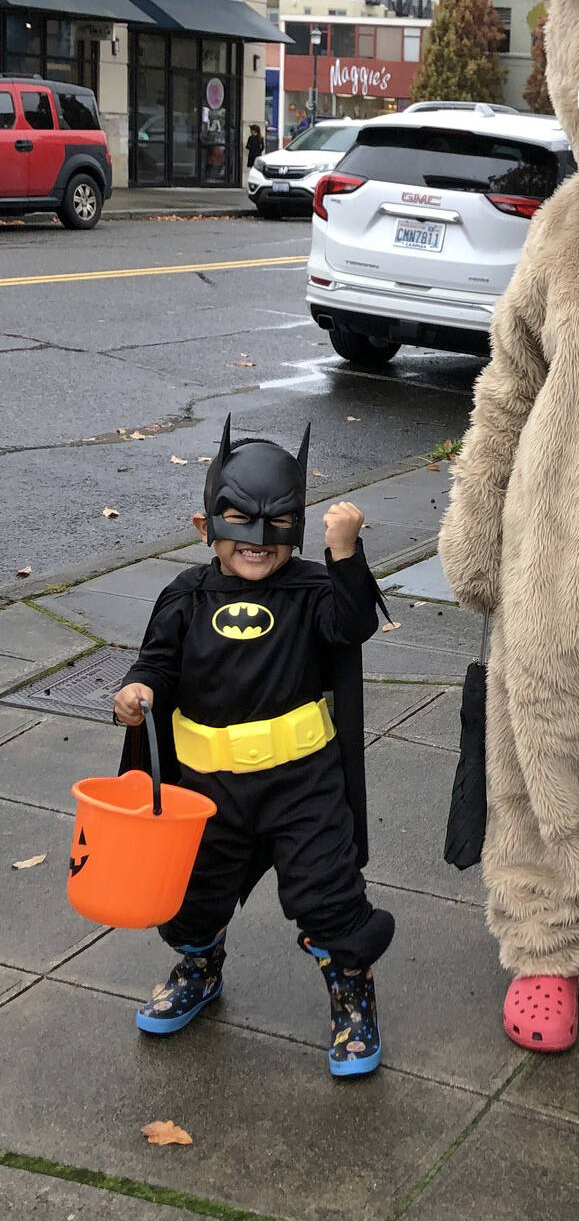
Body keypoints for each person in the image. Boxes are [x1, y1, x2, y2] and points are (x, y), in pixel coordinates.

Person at [112, 417, 394, 1078]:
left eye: (275, 524)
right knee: (192, 898)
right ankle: (200, 966)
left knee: (329, 897)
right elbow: (156, 663)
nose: (256, 542)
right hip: (207, 791)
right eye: (237, 521)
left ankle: (351, 990)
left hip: (303, 784)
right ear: (203, 524)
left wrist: (345, 554)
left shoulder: (311, 593)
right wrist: (137, 690)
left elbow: (353, 625)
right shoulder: (185, 599)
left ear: (296, 526)